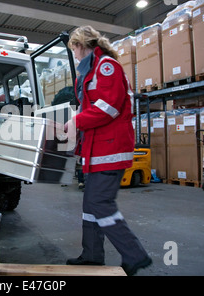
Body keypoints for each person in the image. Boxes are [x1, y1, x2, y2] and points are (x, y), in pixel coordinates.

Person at [64, 25, 151, 276]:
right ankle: (92, 255)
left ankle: (135, 255)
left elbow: (108, 108)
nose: (75, 56)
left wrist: (77, 122)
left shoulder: (106, 67)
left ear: (83, 45)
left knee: (100, 202)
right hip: (97, 150)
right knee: (90, 205)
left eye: (75, 50)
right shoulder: (90, 71)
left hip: (109, 149)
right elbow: (92, 108)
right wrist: (74, 126)